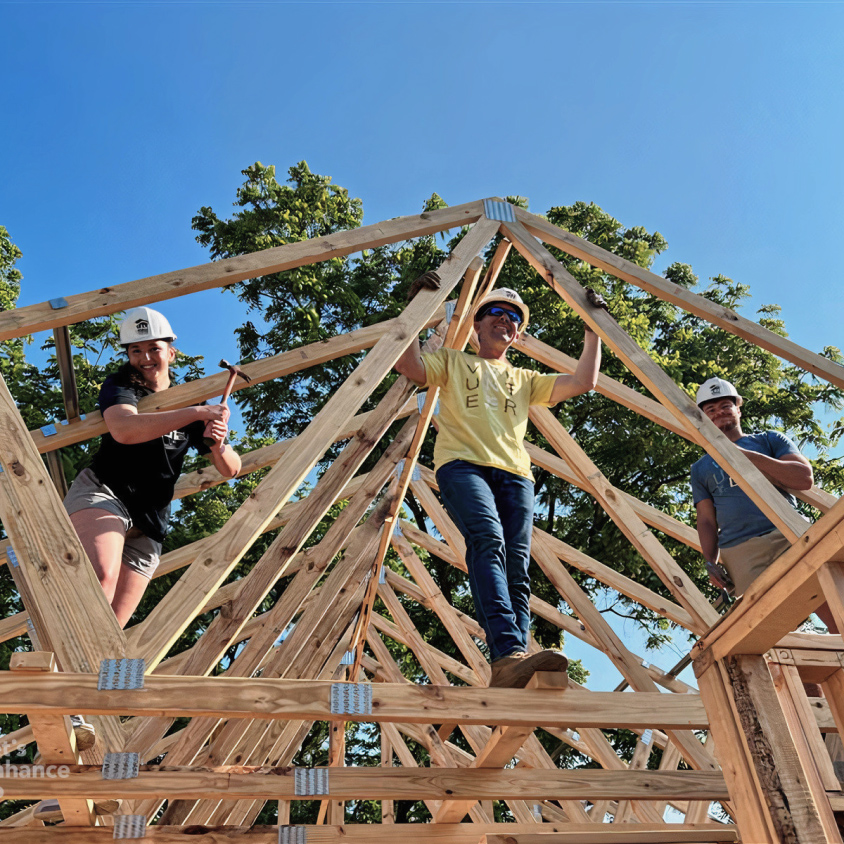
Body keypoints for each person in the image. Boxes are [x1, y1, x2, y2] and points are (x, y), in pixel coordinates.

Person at [396, 274, 603, 687]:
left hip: (515, 475)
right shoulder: (454, 361)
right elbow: (410, 366)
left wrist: (592, 327)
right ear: (476, 324)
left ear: (518, 333)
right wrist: (416, 308)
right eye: (496, 312)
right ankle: (507, 652)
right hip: (462, 465)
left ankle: (517, 657)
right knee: (488, 540)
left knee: (517, 565)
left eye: (513, 317)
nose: (505, 320)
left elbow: (584, 382)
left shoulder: (525, 379)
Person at [691, 376, 838, 634]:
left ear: (738, 408)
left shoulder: (769, 440)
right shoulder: (701, 467)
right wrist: (710, 560)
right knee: (771, 630)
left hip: (788, 533)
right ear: (704, 418)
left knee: (833, 603)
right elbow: (705, 519)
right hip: (741, 551)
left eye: (725, 405)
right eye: (710, 410)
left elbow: (803, 478)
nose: (719, 413)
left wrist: (745, 456)